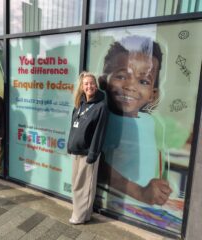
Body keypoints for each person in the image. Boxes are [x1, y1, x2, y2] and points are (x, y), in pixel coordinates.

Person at [98, 35, 172, 205]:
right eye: (122, 76)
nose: (130, 86)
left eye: (143, 81)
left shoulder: (150, 122)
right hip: (113, 203)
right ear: (103, 82)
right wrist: (139, 192)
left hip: (141, 205)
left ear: (153, 95)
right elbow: (98, 165)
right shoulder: (106, 118)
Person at [67, 71, 108, 224]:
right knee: (77, 184)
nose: (89, 86)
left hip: (88, 153)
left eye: (92, 83)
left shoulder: (100, 106)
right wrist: (69, 145)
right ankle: (84, 214)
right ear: (82, 87)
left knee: (84, 186)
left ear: (96, 86)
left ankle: (79, 216)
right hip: (76, 151)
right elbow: (73, 127)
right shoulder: (80, 104)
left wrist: (93, 153)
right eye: (86, 84)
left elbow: (99, 132)